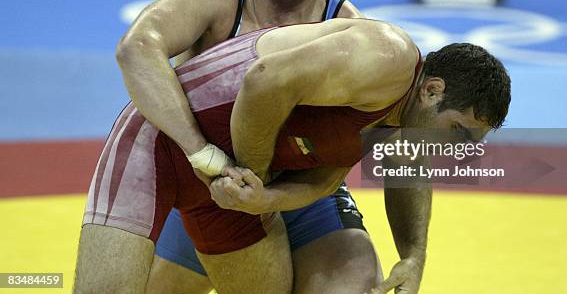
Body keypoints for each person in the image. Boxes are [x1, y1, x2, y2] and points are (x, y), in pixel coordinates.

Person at [74, 18, 511, 294]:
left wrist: (265, 200)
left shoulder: (397, 121)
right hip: (161, 143)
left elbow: (327, 177)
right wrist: (254, 175)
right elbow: (263, 80)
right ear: (432, 90)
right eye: (457, 131)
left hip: (232, 182)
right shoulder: (388, 57)